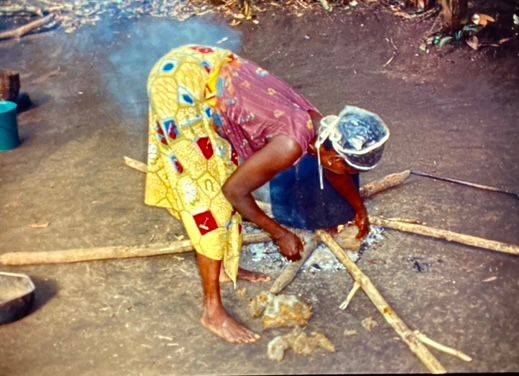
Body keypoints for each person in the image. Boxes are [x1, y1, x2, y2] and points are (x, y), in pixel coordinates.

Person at [145, 45, 389, 344]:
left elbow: (337, 171)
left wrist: (358, 209)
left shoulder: (324, 127)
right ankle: (212, 310)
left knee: (225, 168)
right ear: (335, 158)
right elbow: (234, 192)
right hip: (181, 84)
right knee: (209, 202)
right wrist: (279, 233)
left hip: (207, 69)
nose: (347, 174)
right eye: (350, 168)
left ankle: (223, 267)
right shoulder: (290, 145)